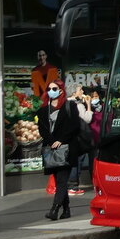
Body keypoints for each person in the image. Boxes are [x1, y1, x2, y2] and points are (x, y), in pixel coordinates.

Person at [36, 78, 79, 220]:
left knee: (61, 180)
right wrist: (52, 141)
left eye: (54, 89)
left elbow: (74, 126)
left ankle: (54, 209)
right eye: (49, 89)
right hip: (51, 149)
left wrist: (61, 140)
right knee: (59, 180)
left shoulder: (69, 106)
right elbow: (42, 129)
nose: (51, 92)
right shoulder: (43, 110)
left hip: (66, 148)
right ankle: (66, 210)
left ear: (61, 91)